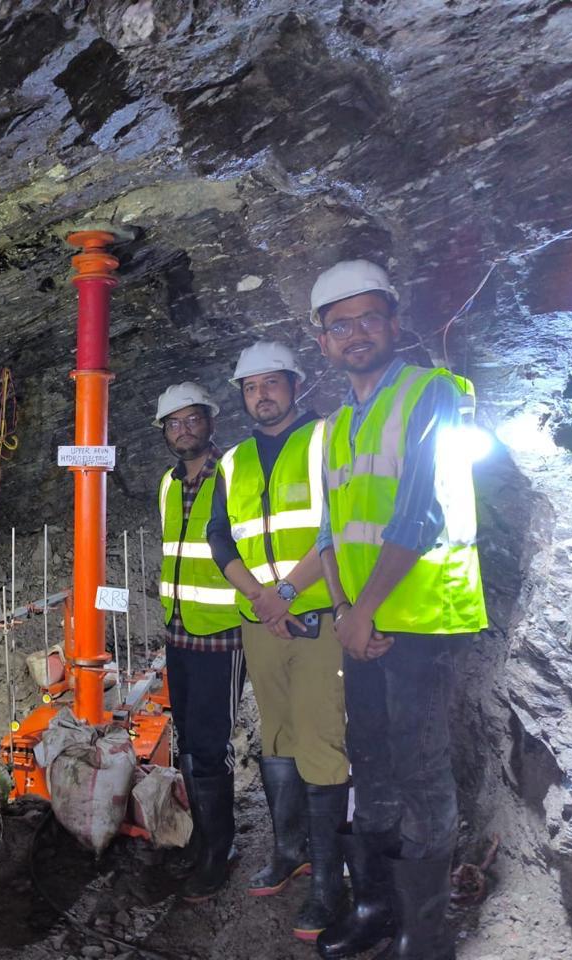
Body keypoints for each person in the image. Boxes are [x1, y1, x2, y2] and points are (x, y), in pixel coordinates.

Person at [308, 260, 487, 960]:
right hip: (365, 624)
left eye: (368, 318)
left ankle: (425, 934)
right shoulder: (336, 428)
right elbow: (330, 534)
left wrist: (365, 611)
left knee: (420, 771)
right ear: (322, 340)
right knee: (371, 763)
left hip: (417, 622)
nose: (357, 333)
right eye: (340, 324)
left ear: (393, 320)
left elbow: (421, 512)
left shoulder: (430, 394)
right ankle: (377, 905)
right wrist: (348, 610)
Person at [204, 342, 349, 941]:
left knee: (321, 741)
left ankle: (329, 883)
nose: (260, 395)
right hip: (261, 622)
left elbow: (339, 525)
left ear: (295, 384)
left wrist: (283, 593)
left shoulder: (326, 439)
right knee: (278, 737)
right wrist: (261, 600)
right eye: (249, 387)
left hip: (314, 616)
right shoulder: (232, 461)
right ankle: (288, 850)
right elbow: (220, 539)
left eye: (271, 383)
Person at [152, 382, 244, 902]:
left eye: (192, 420)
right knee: (187, 738)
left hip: (223, 634)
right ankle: (205, 838)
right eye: (173, 423)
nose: (183, 429)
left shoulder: (232, 475)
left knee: (211, 744)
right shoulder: (167, 484)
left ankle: (219, 850)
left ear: (210, 422)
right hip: (178, 630)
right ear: (164, 433)